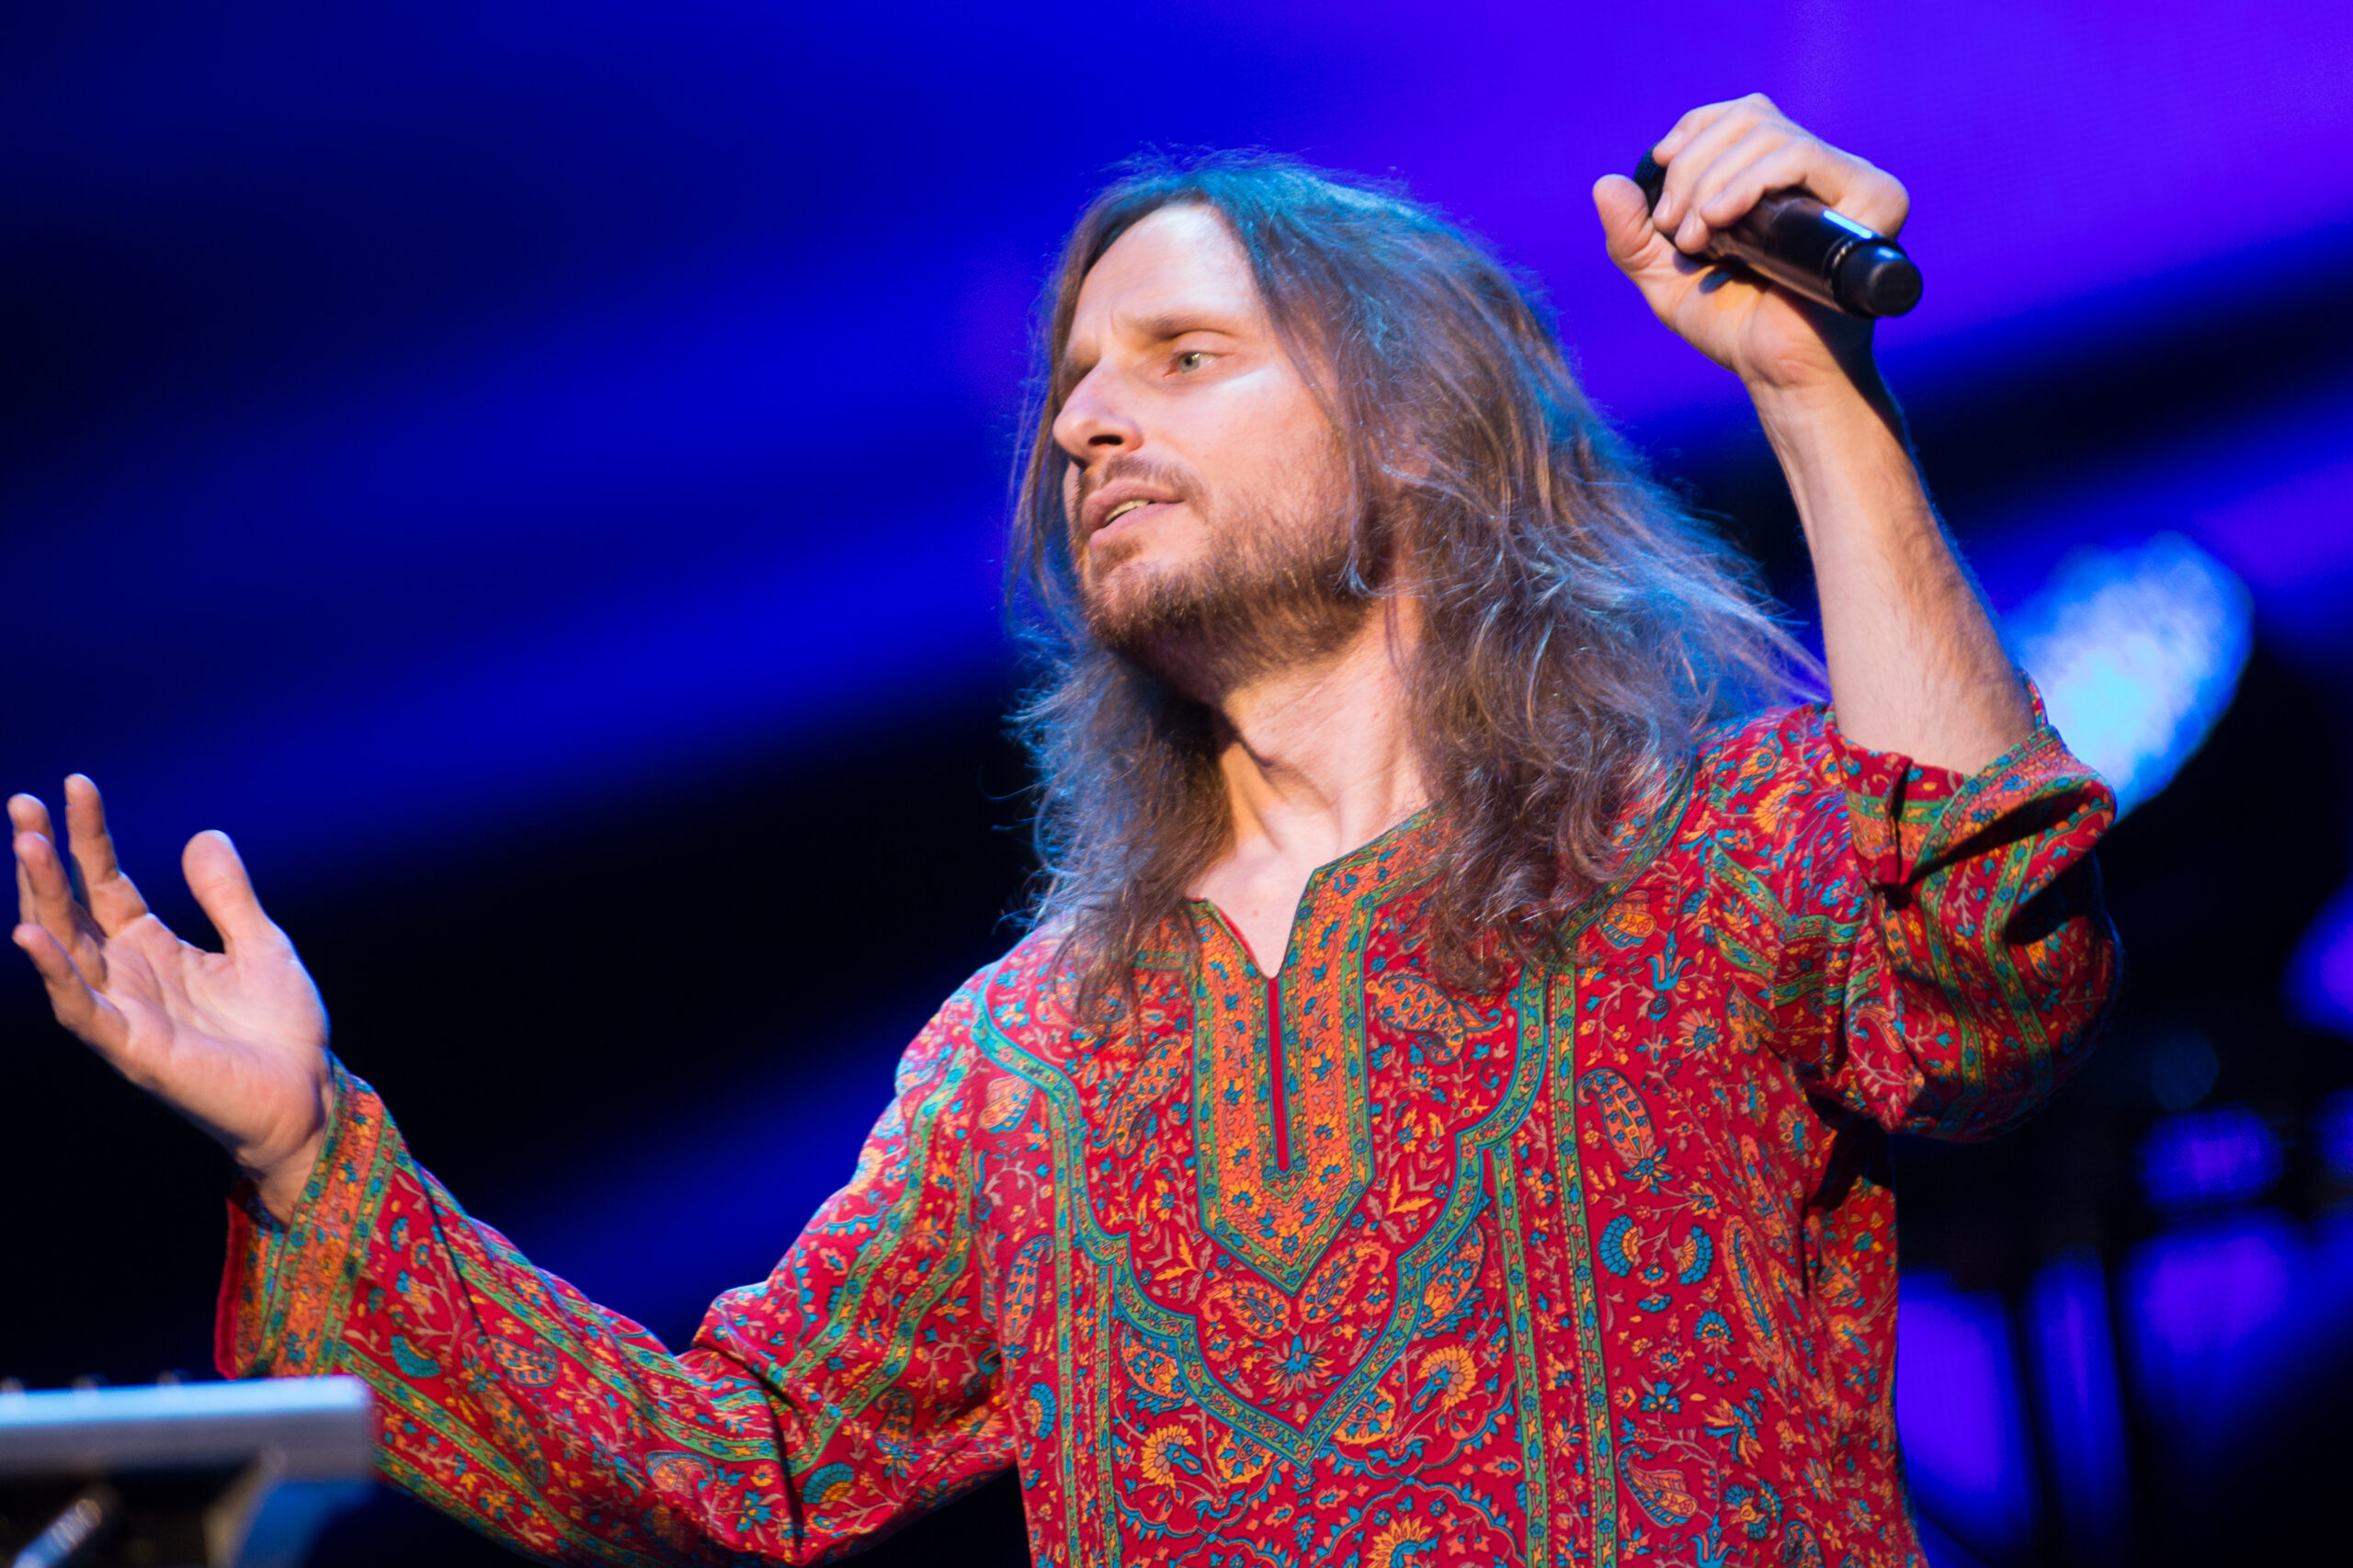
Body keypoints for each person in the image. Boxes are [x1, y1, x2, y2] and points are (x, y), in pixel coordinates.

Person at [9, 97, 2116, 1567]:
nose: (1089, 421)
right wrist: (309, 1149)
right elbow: (738, 1460)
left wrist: (1811, 389)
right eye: (1076, 386)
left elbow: (1981, 954)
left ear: (1410, 432)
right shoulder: (1024, 1061)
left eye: (1183, 357)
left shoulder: (1694, 859)